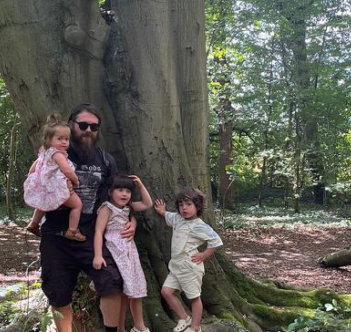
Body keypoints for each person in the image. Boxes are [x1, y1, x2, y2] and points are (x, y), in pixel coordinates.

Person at [39, 103, 134, 332]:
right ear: (71, 126)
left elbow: (117, 198)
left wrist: (133, 221)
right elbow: (36, 185)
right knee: (57, 291)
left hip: (92, 233)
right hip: (56, 233)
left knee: (112, 280)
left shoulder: (105, 160)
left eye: (94, 126)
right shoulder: (54, 155)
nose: (88, 130)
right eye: (83, 125)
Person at [153, 188, 223, 332]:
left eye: (188, 204)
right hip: (176, 266)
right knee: (166, 291)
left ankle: (196, 327)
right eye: (181, 205)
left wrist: (204, 255)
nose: (184, 208)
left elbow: (216, 241)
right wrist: (162, 211)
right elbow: (167, 215)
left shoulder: (199, 225)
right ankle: (184, 318)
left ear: (197, 206)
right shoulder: (177, 218)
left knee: (194, 298)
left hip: (190, 267)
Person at [93, 175, 153, 332]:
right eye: (120, 190)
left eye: (128, 191)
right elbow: (98, 232)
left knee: (132, 289)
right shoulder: (107, 208)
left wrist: (140, 185)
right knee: (120, 291)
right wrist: (98, 255)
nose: (124, 194)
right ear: (111, 192)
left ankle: (138, 326)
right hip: (114, 253)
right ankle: (120, 328)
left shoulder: (129, 207)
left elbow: (148, 203)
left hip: (129, 253)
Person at [24, 114, 85, 241]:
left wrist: (32, 177)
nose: (64, 142)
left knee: (42, 203)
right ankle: (72, 230)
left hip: (46, 186)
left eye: (66, 139)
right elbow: (67, 170)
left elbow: (33, 168)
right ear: (49, 140)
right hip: (58, 187)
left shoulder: (44, 152)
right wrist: (75, 180)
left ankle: (34, 223)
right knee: (77, 205)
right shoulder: (58, 154)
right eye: (60, 138)